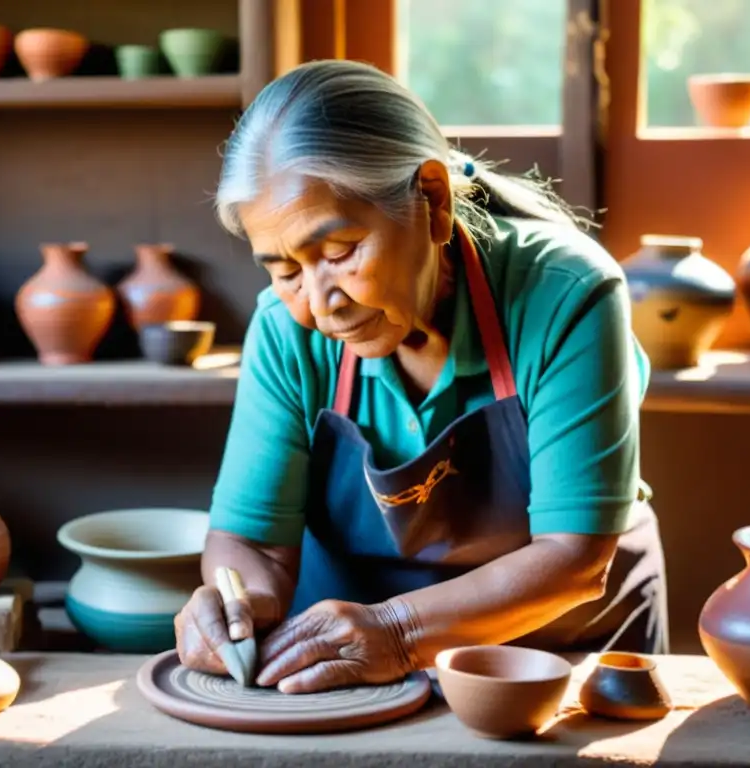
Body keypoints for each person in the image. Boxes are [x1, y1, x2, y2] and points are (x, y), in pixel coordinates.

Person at [174, 59, 668, 695]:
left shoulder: (566, 295)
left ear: (432, 201)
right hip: (348, 668)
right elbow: (253, 546)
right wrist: (233, 606)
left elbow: (572, 557)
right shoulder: (285, 327)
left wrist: (401, 632)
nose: (321, 304)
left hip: (554, 658)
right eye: (285, 269)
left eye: (340, 252)